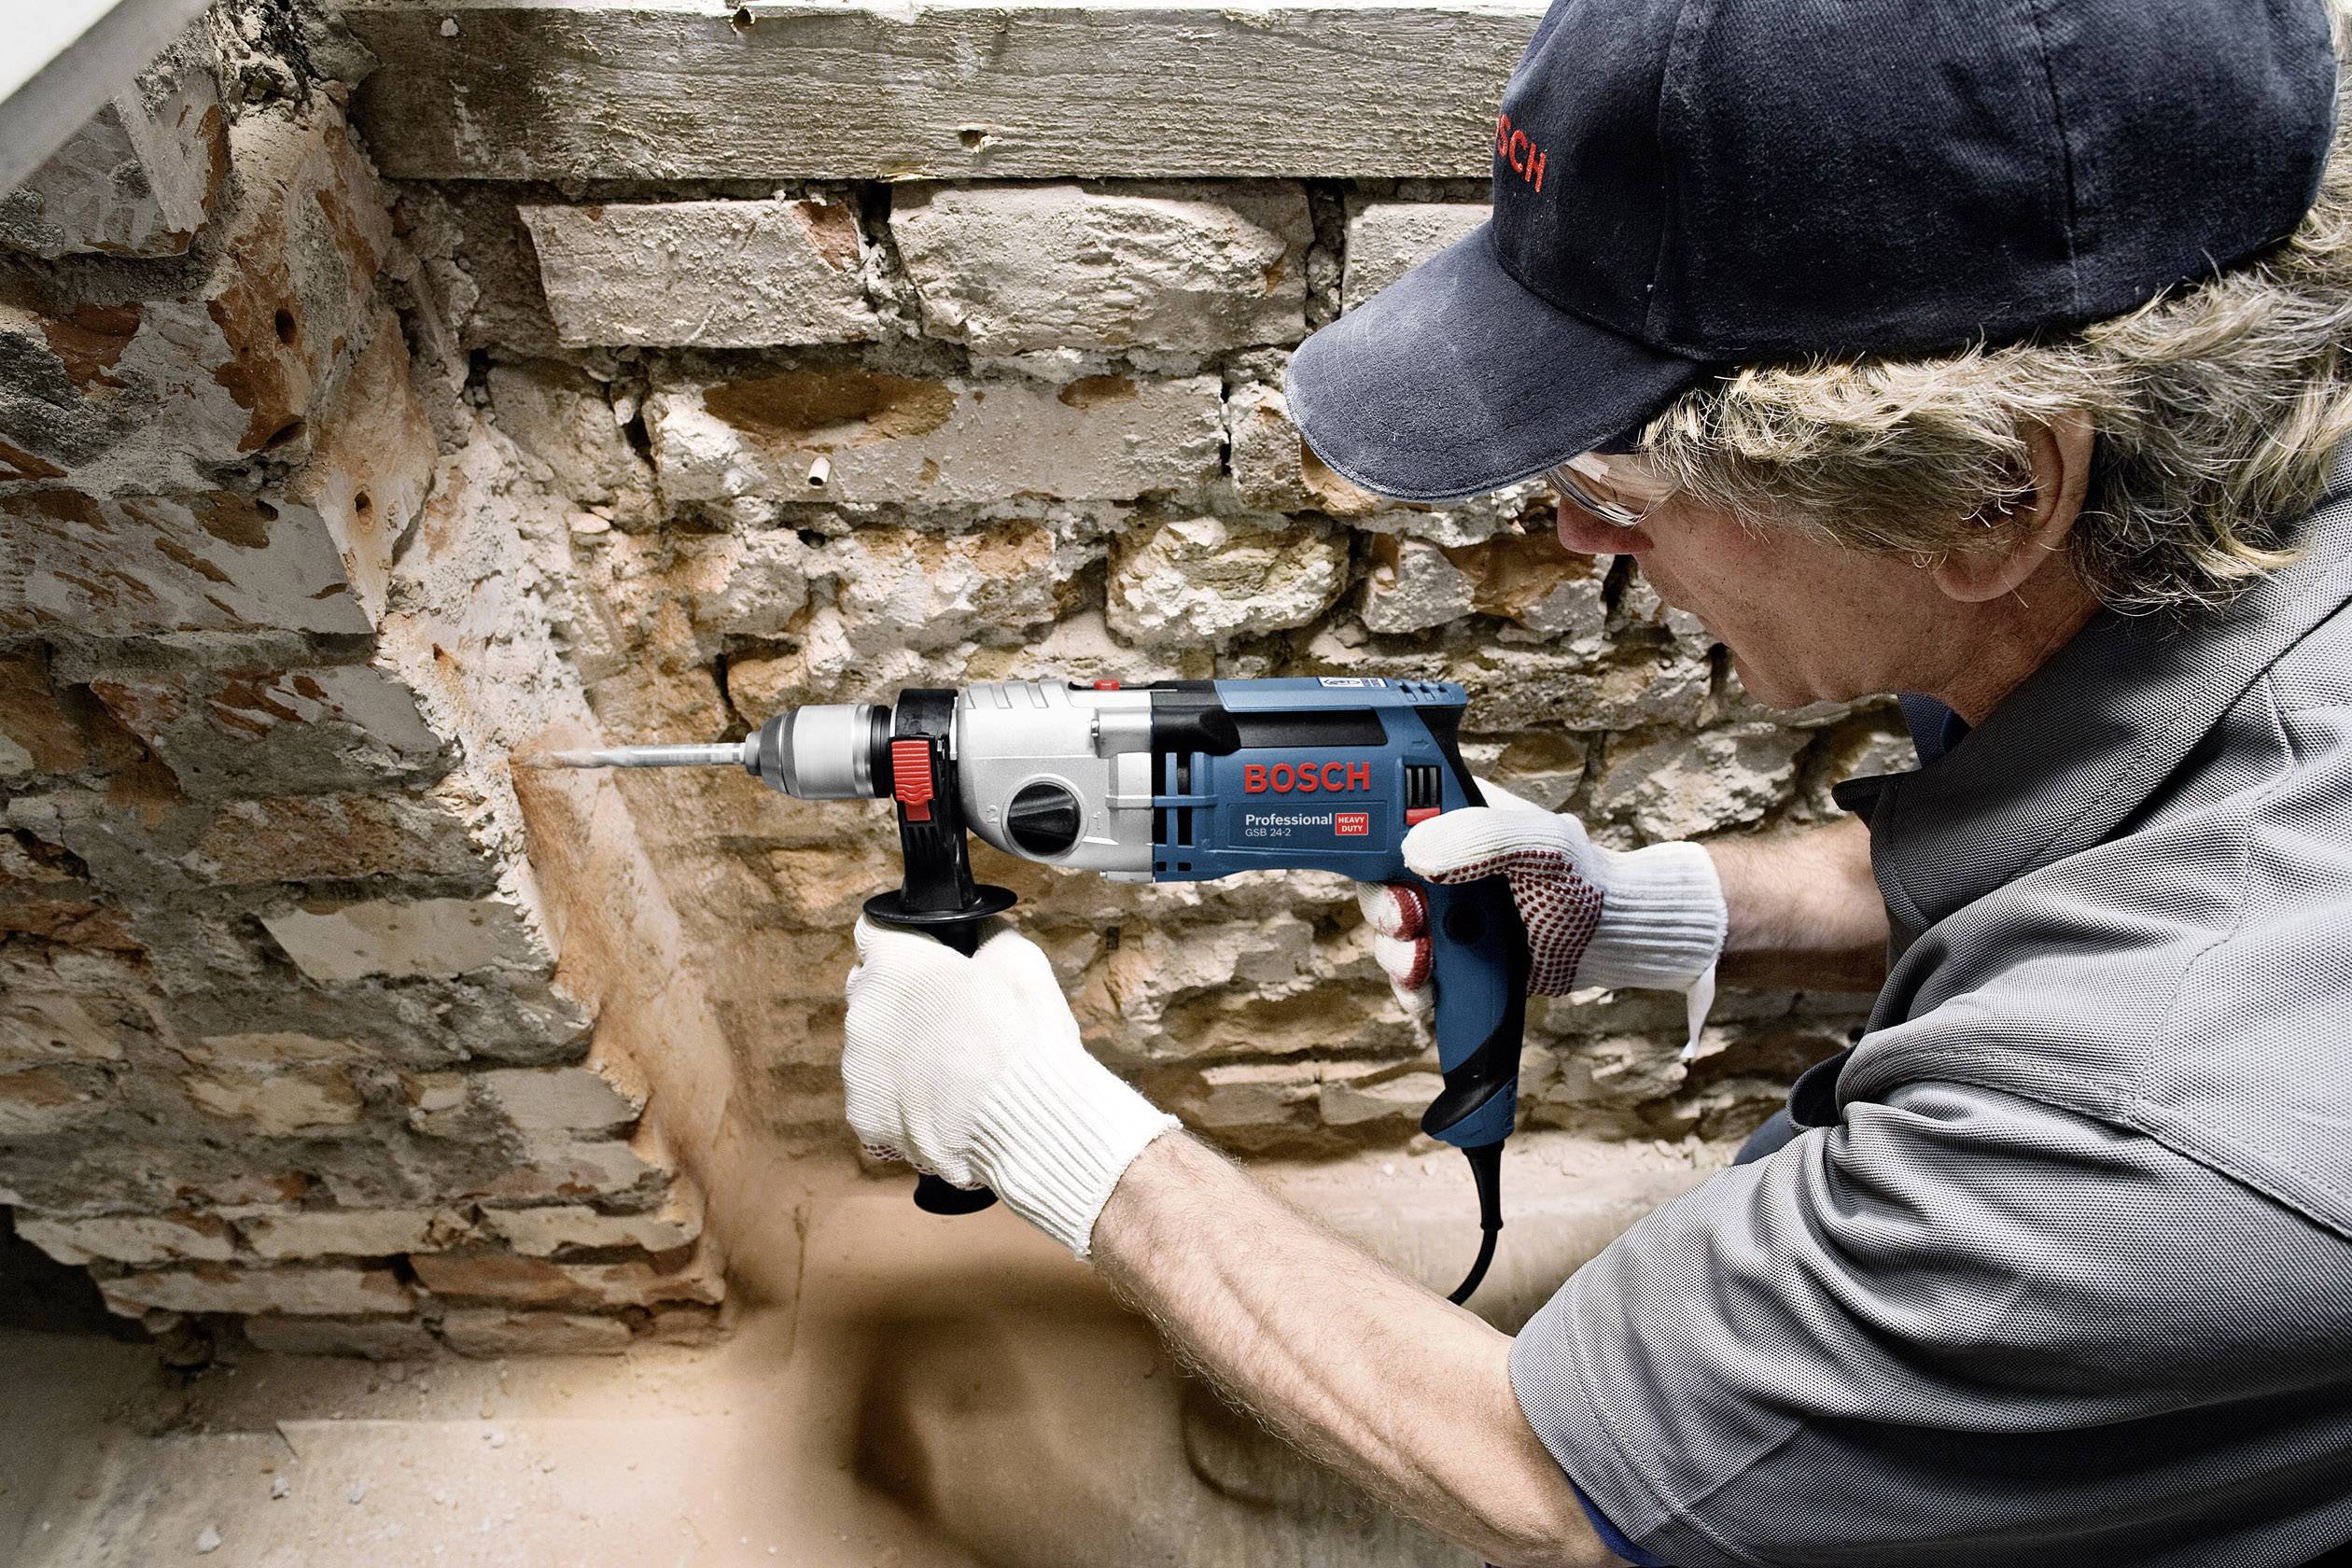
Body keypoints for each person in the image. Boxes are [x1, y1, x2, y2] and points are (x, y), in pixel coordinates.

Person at [839, 0, 2352, 1561]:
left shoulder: (2125, 1142)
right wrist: (1653, 909)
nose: (1577, 540)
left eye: (1620, 484)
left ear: (1992, 494)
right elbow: (2058, 872)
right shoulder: (2222, 513)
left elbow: (1550, 1488)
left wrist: (1038, 1124)